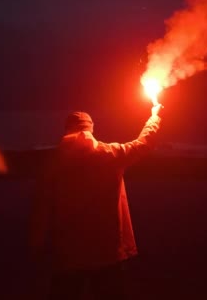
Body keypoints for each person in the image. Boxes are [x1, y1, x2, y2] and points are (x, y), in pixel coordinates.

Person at [29, 104, 164, 300]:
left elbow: (41, 207)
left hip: (68, 253)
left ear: (67, 130)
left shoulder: (53, 162)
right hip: (107, 251)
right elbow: (144, 143)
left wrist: (36, 244)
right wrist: (155, 117)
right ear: (90, 129)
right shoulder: (110, 155)